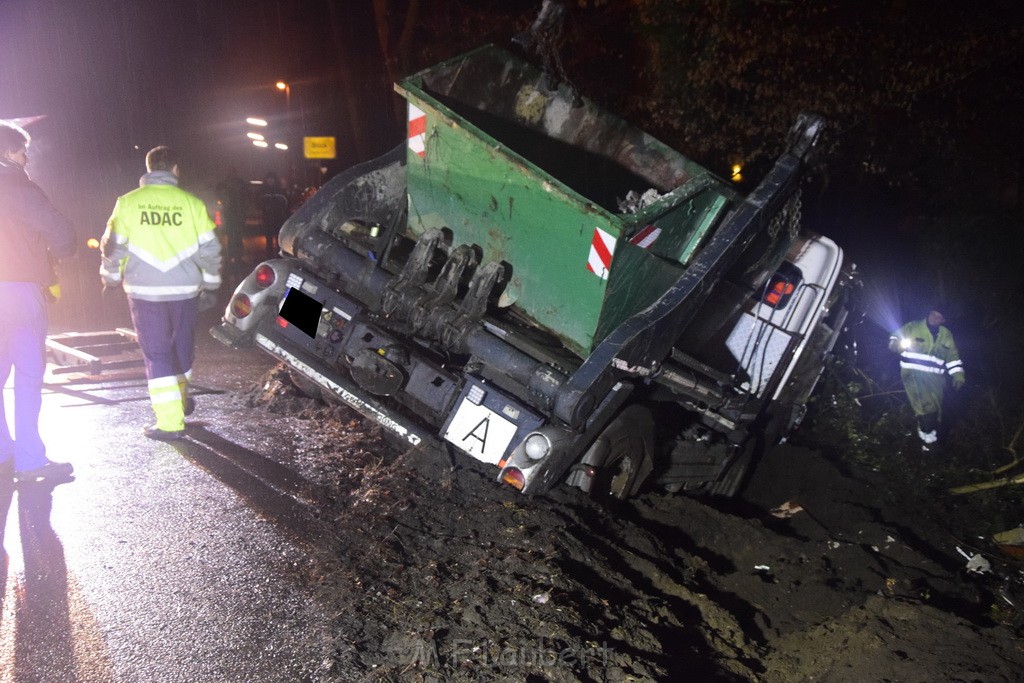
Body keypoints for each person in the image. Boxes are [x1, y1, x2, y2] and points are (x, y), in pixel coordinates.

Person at [100, 145, 221, 441]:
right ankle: (178, 404)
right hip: (184, 291)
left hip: (145, 292)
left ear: (149, 168)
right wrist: (212, 285)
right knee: (181, 350)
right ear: (175, 169)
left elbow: (113, 246)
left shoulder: (128, 203)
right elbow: (211, 249)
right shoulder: (191, 204)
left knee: (157, 355)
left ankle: (169, 424)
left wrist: (110, 278)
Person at [0, 120, 77, 486]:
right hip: (16, 288)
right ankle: (30, 461)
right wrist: (62, 250)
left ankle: (3, 451)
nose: (26, 156)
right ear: (8, 151)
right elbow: (58, 230)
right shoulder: (16, 184)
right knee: (29, 374)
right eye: (21, 150)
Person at [888, 306, 965, 450]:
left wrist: (958, 375)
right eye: (933, 314)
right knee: (925, 408)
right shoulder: (913, 326)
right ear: (928, 314)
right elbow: (895, 337)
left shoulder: (946, 335)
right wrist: (895, 344)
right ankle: (926, 442)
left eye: (938, 317)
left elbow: (953, 357)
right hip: (913, 375)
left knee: (936, 410)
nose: (934, 318)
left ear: (943, 320)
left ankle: (929, 438)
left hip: (935, 380)